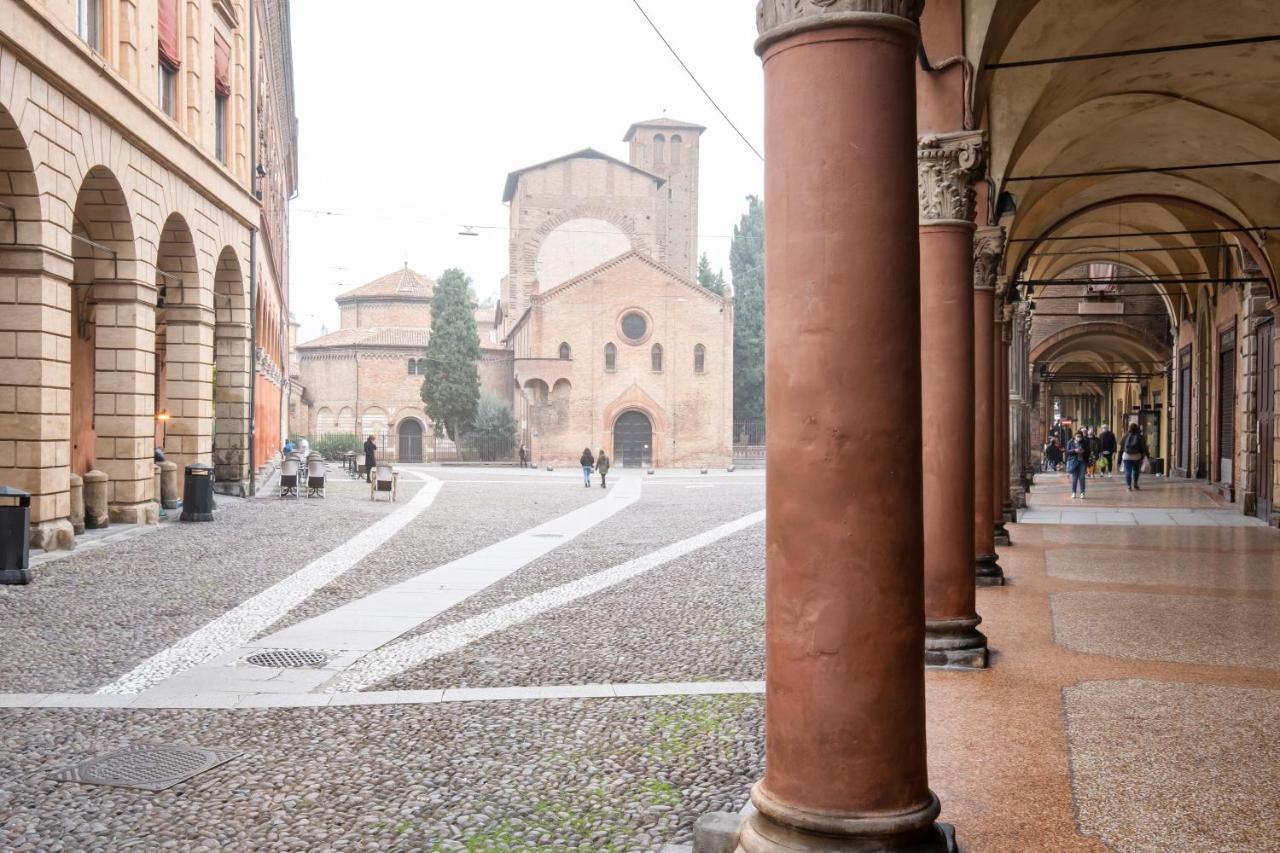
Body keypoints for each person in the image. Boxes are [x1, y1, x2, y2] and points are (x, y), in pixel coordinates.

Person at [1121, 423, 1149, 491]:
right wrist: (1146, 454)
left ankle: (1129, 486)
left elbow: (1121, 444)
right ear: (1137, 429)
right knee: (1136, 471)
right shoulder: (1140, 437)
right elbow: (1143, 447)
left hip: (1126, 456)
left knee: (1128, 471)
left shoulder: (1125, 435)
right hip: (1137, 456)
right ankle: (1135, 485)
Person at [1066, 429, 1090, 499]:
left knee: (1082, 477)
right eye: (1077, 436)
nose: (1079, 437)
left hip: (1082, 461)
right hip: (1074, 461)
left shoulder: (1085, 442)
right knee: (1074, 478)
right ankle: (1073, 492)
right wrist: (1074, 450)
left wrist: (1083, 451)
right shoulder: (1070, 442)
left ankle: (1082, 492)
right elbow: (1067, 452)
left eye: (1080, 436)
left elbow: (1088, 451)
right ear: (1075, 436)